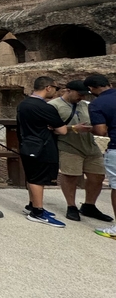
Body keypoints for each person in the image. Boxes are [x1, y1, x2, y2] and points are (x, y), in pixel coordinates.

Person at [48, 80, 112, 223]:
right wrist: (73, 128)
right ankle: (71, 206)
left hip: (90, 146)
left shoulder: (85, 105)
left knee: (98, 176)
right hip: (68, 146)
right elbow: (49, 128)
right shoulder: (54, 106)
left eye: (84, 95)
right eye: (80, 94)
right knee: (70, 176)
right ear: (68, 90)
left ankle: (90, 205)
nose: (82, 97)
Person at [17, 76, 68, 228]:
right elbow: (63, 130)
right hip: (43, 146)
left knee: (32, 176)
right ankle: (37, 212)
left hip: (27, 144)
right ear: (48, 87)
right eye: (55, 88)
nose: (55, 92)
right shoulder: (46, 107)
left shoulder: (23, 104)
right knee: (38, 179)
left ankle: (32, 205)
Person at [86, 74, 116, 238]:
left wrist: (88, 129)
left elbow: (101, 131)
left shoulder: (97, 103)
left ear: (91, 89)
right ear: (109, 84)